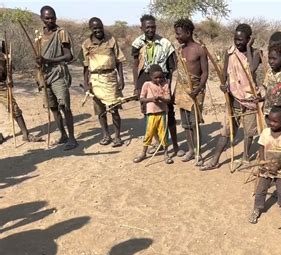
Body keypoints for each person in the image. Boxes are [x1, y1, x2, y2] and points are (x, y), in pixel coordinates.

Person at [200, 23, 262, 171]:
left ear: (249, 39)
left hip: (250, 100)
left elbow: (251, 70)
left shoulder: (257, 53)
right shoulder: (230, 53)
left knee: (248, 132)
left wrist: (248, 48)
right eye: (236, 39)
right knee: (226, 132)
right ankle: (215, 160)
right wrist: (224, 85)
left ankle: (245, 158)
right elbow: (225, 75)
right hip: (234, 99)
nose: (238, 42)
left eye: (242, 40)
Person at [132, 14, 181, 156]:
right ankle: (158, 142)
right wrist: (136, 86)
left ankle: (176, 145)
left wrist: (168, 85)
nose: (150, 30)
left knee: (168, 113)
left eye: (153, 27)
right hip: (144, 81)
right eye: (147, 27)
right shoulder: (137, 43)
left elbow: (172, 67)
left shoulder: (165, 43)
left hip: (162, 81)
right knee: (149, 113)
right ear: (142, 27)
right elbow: (135, 66)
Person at [36, 5, 77, 150]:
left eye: (53, 17)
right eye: (47, 18)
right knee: (53, 107)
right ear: (41, 18)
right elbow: (39, 55)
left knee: (64, 106)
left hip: (58, 73)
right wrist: (40, 61)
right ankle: (63, 135)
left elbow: (68, 56)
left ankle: (72, 139)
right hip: (44, 75)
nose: (50, 20)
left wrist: (48, 60)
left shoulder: (61, 33)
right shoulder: (39, 35)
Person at [81, 17, 126, 147]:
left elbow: (119, 61)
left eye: (100, 27)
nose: (98, 30)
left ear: (102, 26)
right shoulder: (86, 44)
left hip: (110, 78)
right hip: (95, 80)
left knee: (114, 109)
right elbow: (85, 66)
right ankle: (106, 135)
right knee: (100, 111)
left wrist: (121, 79)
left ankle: (117, 136)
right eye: (95, 28)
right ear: (91, 29)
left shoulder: (111, 40)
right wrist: (85, 83)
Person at [248, 106, 281, 224]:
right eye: (270, 120)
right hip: (266, 167)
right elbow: (261, 147)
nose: (271, 123)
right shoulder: (265, 132)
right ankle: (257, 208)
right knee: (261, 189)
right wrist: (263, 161)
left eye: (275, 121)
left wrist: (277, 166)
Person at [173, 18, 208, 166]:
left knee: (194, 123)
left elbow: (205, 73)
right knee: (186, 124)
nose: (177, 36)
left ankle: (198, 152)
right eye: (176, 33)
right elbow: (179, 73)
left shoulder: (199, 49)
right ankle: (191, 150)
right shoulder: (180, 50)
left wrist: (198, 89)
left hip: (196, 91)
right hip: (182, 91)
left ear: (188, 33)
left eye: (179, 33)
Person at [0, 40, 41, 143]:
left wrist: (10, 78)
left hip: (1, 85)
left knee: (14, 108)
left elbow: (9, 65)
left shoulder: (2, 43)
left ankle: (25, 134)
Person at [133, 64, 173, 164]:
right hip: (151, 113)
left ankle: (166, 154)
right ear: (150, 77)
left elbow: (168, 99)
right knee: (149, 132)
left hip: (163, 113)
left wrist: (161, 98)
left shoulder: (165, 84)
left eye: (160, 77)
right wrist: (151, 99)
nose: (159, 79)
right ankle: (143, 152)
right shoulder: (146, 85)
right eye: (156, 78)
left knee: (163, 133)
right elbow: (141, 99)